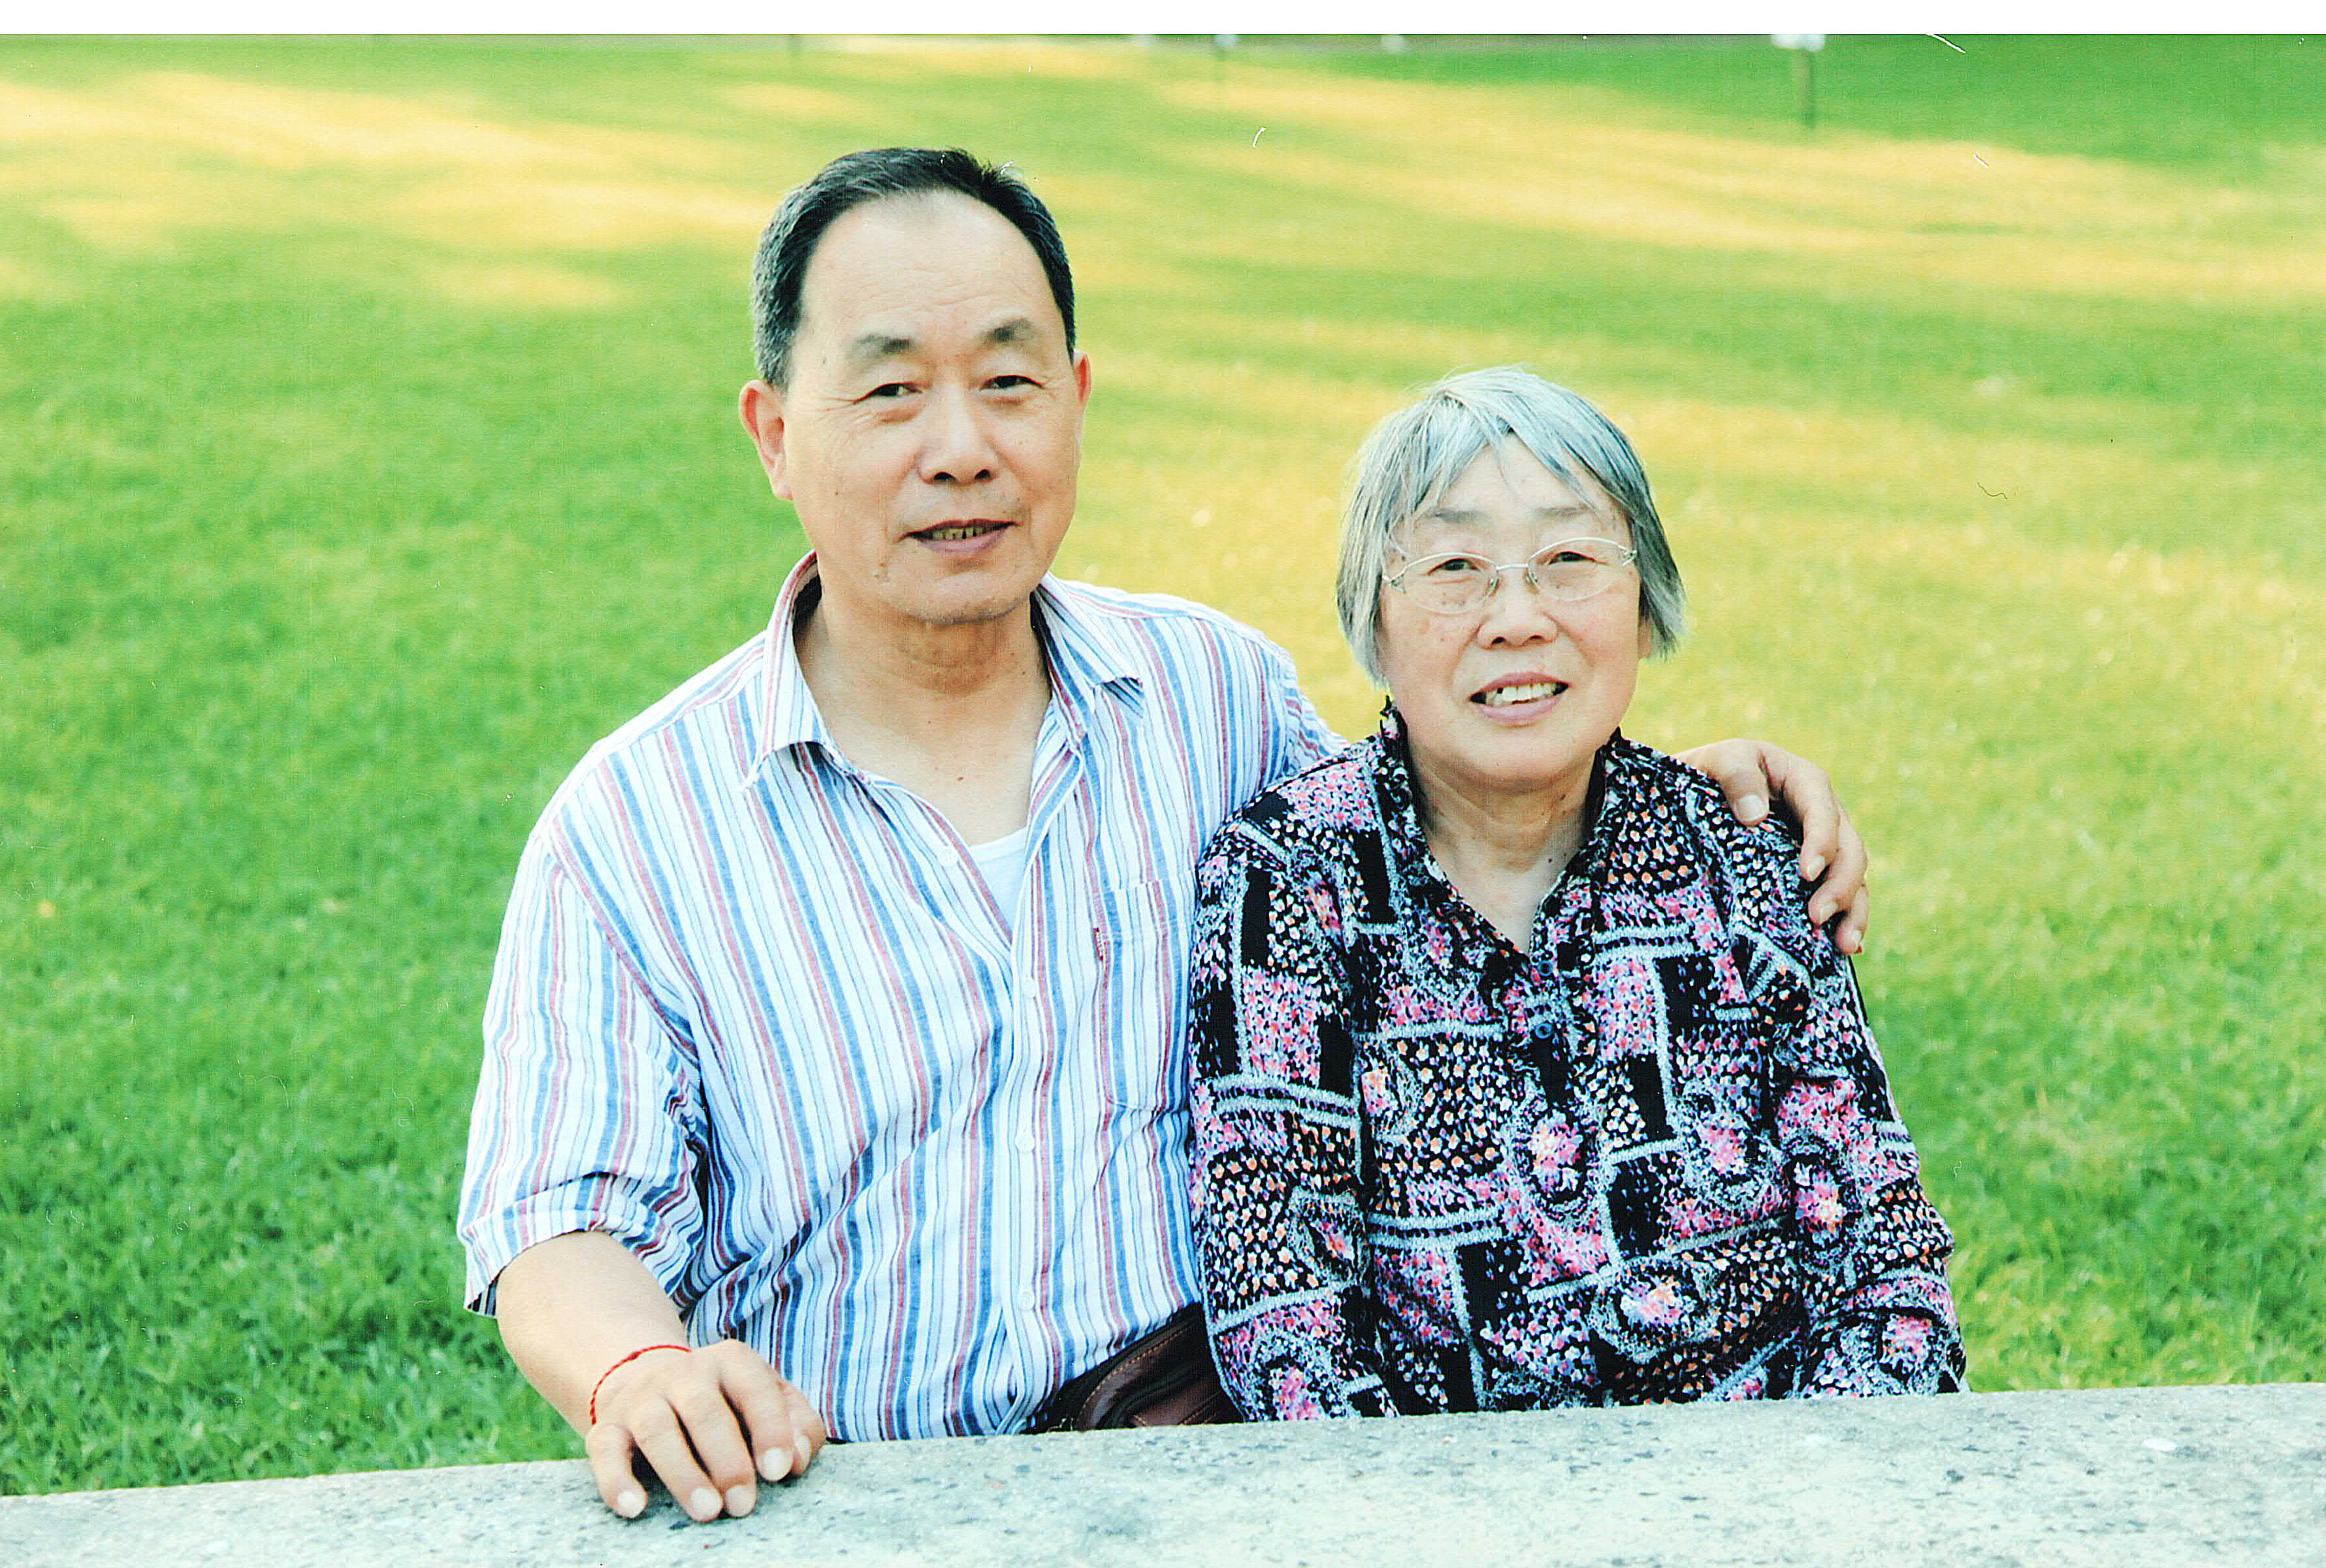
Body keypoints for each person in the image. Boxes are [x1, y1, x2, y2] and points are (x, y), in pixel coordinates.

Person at [457, 148, 1877, 1524]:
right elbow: (555, 1220)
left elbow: (1439, 845)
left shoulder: (1213, 696)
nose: (962, 450)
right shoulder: (636, 823)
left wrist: (1655, 798)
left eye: (1008, 382)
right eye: (890, 391)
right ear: (774, 433)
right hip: (857, 1490)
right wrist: (636, 1366)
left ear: (1073, 401)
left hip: (1206, 1473)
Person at [1187, 367, 1963, 1418]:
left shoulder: (1743, 858)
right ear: (1374, 619)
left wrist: (1799, 1493)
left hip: (1776, 1482)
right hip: (1437, 1502)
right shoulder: (1291, 880)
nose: (1517, 618)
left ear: (1644, 603)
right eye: (1454, 567)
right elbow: (1286, 1324)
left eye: (1568, 560)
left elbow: (1887, 1272)